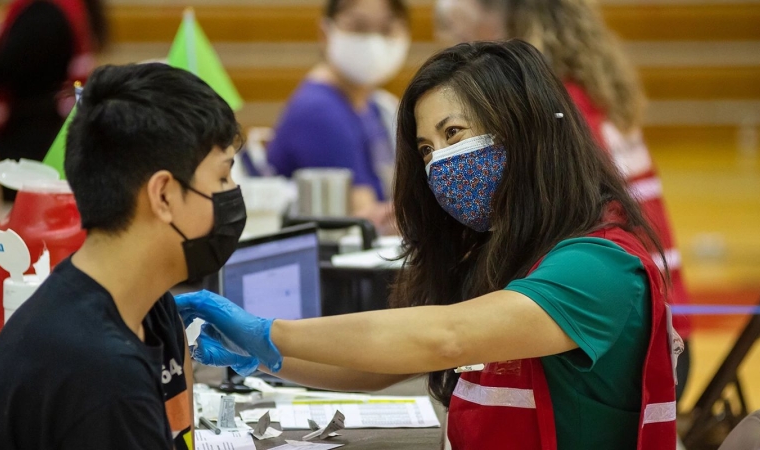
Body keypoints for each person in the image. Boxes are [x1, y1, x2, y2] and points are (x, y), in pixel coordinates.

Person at [177, 41, 679, 450]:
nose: (438, 163)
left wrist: (273, 331)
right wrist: (259, 351)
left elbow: (446, 336)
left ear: (526, 130)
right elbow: (377, 365)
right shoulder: (506, 250)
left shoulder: (599, 266)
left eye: (454, 133)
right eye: (425, 149)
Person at [0, 63, 245, 449]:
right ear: (162, 195)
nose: (233, 194)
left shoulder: (152, 309)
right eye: (224, 177)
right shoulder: (101, 375)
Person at [434, 0, 693, 399]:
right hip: (659, 322)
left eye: (465, 28)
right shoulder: (583, 89)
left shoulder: (555, 108)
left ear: (508, 20)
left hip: (637, 341)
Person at [265, 0, 411, 233]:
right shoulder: (318, 111)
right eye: (359, 27)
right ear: (325, 32)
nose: (373, 41)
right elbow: (365, 217)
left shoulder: (377, 105)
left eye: (386, 29)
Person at [0, 0, 107, 200]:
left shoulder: (45, 14)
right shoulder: (51, 8)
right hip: (30, 125)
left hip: (27, 137)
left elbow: (2, 69)